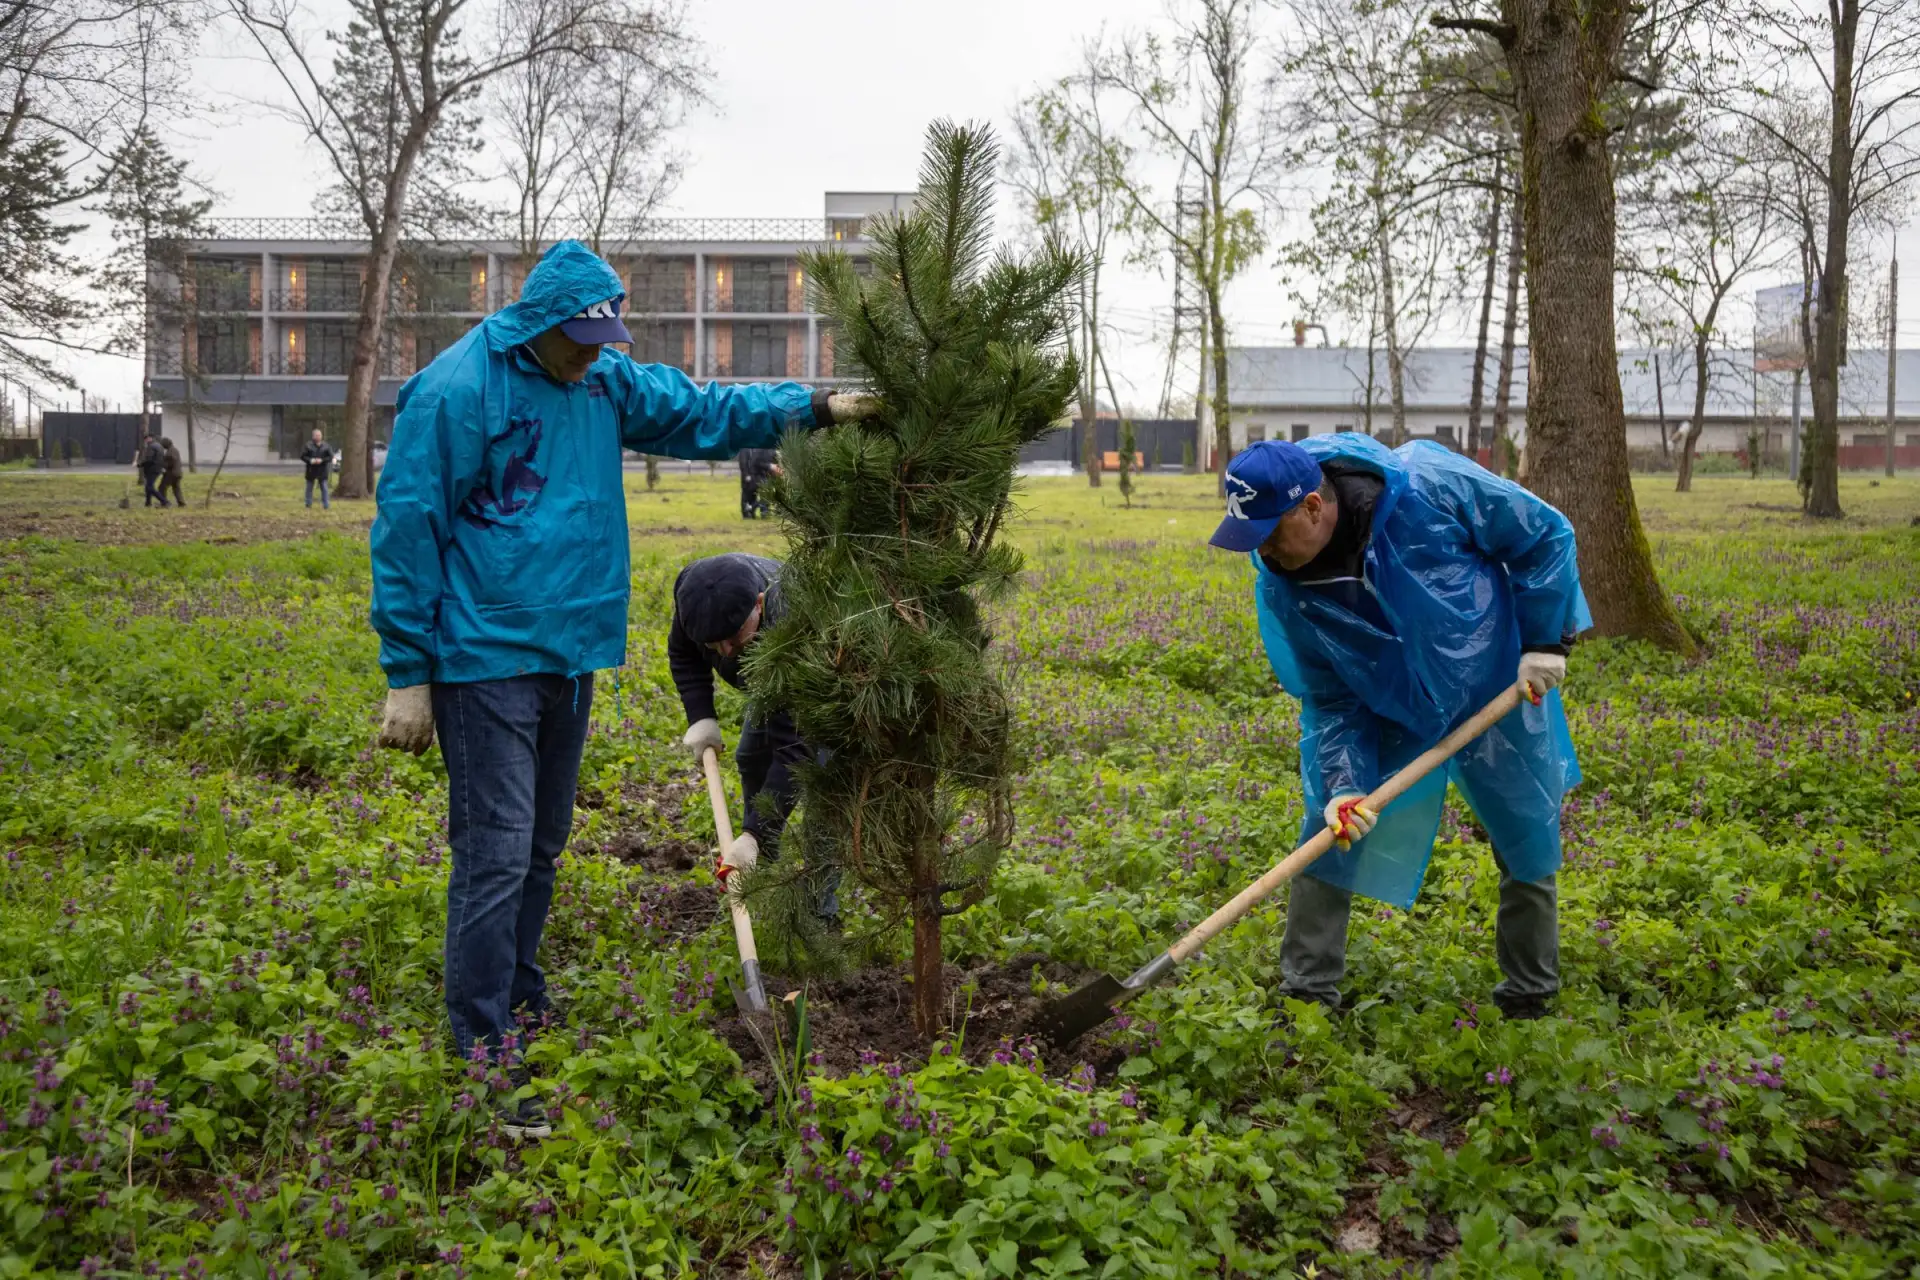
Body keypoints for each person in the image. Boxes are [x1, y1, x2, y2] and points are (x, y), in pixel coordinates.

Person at [368, 240, 874, 1140]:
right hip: (484, 657)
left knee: (541, 847)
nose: (595, 354)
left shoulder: (602, 379)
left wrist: (820, 405)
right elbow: (409, 526)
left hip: (569, 655)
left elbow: (705, 408)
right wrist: (409, 672)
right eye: (582, 340)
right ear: (540, 324)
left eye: (606, 339)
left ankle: (522, 999)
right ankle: (483, 1056)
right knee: (494, 854)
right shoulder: (457, 391)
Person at [1209, 435, 1589, 1022]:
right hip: (1386, 703)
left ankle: (1530, 995)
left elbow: (1543, 532)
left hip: (1494, 684)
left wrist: (1544, 640)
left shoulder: (1430, 486)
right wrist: (1343, 782)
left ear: (1312, 506)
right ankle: (1308, 994)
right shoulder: (1288, 591)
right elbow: (1332, 697)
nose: (1263, 555)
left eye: (1268, 536)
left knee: (1527, 831)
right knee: (1328, 831)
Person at [669, 553, 832, 915]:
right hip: (768, 684)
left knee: (825, 786)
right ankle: (762, 876)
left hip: (828, 689)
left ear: (759, 604)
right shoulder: (693, 597)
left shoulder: (795, 623)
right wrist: (701, 718)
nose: (725, 653)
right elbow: (683, 655)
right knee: (750, 757)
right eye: (713, 644)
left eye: (733, 638)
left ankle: (821, 913)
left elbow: (795, 749)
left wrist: (753, 831)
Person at [737, 447, 778, 519]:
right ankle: (748, 513)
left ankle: (763, 512)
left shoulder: (769, 449)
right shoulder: (746, 449)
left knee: (763, 496)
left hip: (763, 475)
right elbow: (744, 462)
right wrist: (746, 475)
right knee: (748, 496)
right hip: (752, 476)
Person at [301, 429, 335, 509]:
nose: (318, 437)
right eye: (316, 435)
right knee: (309, 487)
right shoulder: (308, 445)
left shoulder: (326, 446)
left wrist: (322, 460)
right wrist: (311, 460)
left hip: (322, 470)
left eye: (319, 435)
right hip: (311, 469)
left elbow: (331, 456)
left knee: (324, 488)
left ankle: (326, 505)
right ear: (313, 436)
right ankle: (308, 504)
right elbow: (302, 456)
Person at [137, 432, 167, 507]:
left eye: (146, 439)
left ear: (150, 438)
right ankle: (148, 503)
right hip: (157, 469)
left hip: (152, 469)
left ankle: (165, 502)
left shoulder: (151, 447)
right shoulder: (159, 446)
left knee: (150, 487)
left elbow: (149, 460)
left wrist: (140, 464)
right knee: (148, 486)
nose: (146, 441)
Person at [158, 437, 185, 508]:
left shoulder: (170, 452)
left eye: (162, 444)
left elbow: (170, 463)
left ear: (166, 444)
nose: (162, 446)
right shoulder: (174, 449)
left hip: (171, 473)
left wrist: (163, 465)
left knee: (162, 487)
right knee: (176, 488)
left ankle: (164, 503)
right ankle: (181, 503)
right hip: (178, 473)